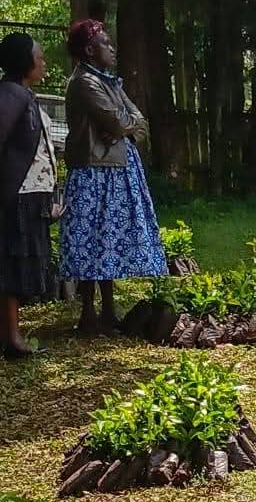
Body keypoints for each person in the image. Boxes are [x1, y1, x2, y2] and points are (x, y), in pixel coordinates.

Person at [59, 20, 167, 333]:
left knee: (106, 241)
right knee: (90, 239)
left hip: (115, 170)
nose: (113, 48)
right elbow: (118, 123)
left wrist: (124, 127)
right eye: (106, 44)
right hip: (93, 171)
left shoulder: (110, 83)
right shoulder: (85, 82)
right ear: (89, 50)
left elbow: (139, 123)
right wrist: (123, 127)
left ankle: (107, 311)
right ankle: (88, 313)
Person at [0, 33, 58, 359]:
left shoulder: (21, 94)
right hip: (18, 194)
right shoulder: (11, 94)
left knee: (18, 266)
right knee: (11, 267)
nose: (44, 62)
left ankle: (11, 335)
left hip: (31, 193)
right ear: (24, 61)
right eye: (39, 57)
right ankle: (13, 339)